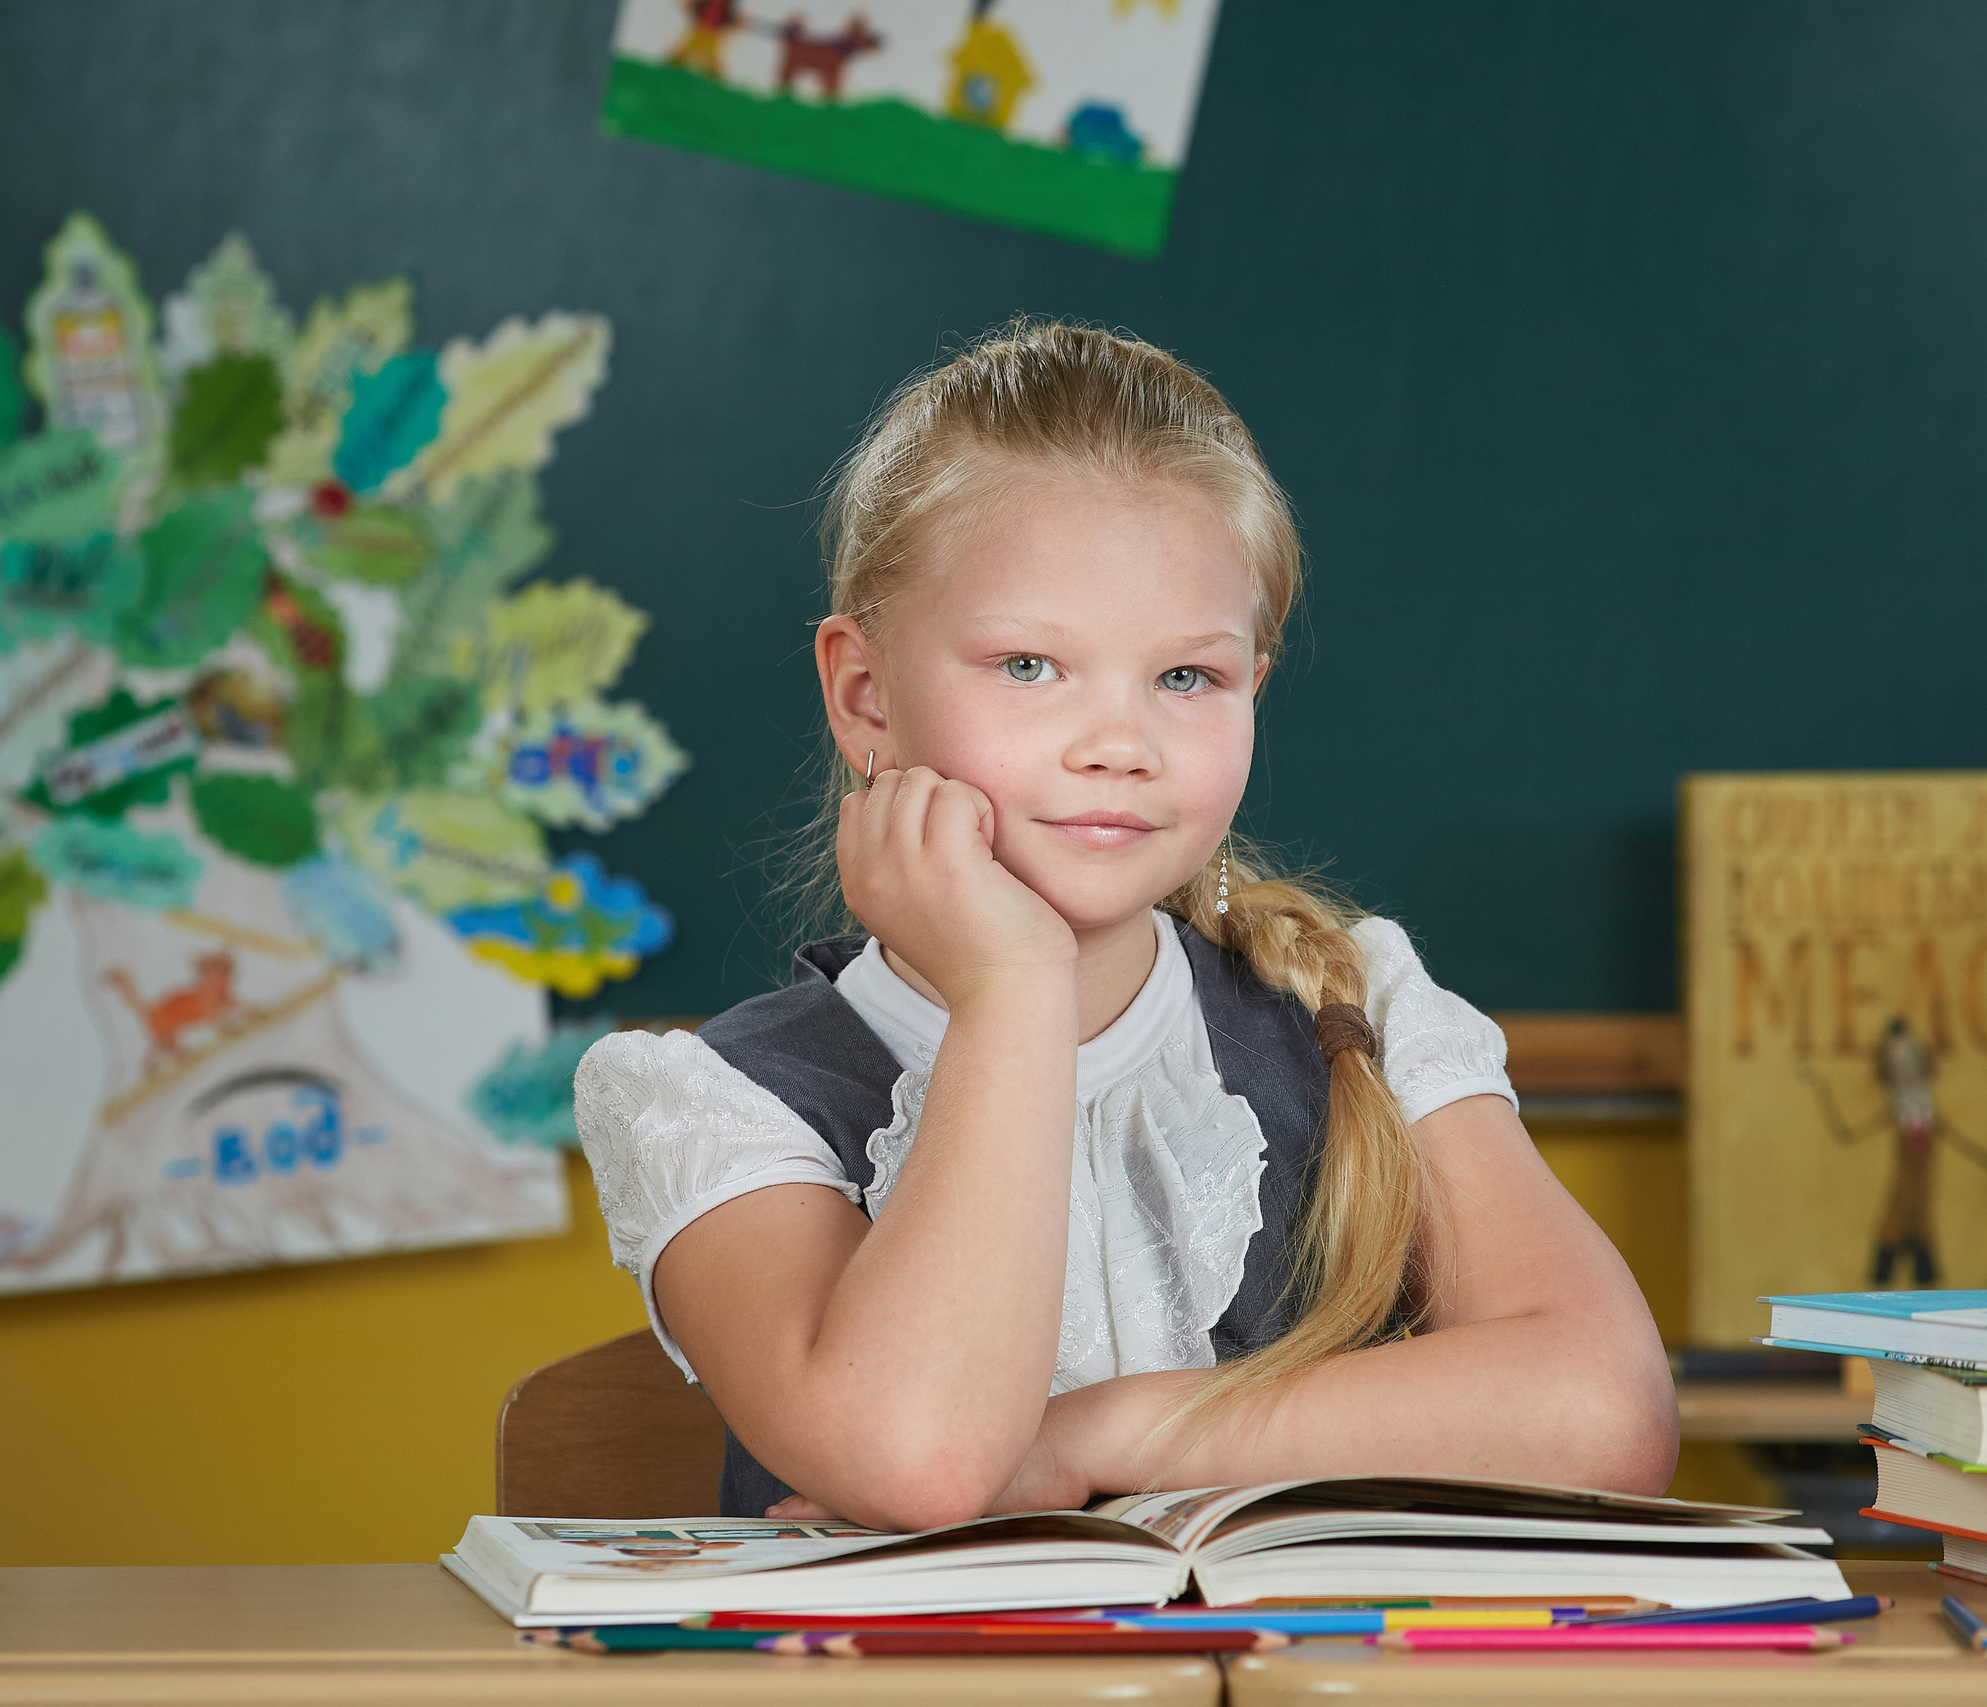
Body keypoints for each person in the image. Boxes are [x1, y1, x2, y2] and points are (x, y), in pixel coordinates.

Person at [573, 321, 1676, 1531]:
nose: (1119, 744)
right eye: (1031, 667)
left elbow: (1605, 1414)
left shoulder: (1360, 1006)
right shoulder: (718, 1102)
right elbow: (917, 1462)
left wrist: (1095, 1438)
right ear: (865, 694)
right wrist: (1008, 988)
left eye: (1186, 679)